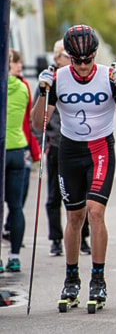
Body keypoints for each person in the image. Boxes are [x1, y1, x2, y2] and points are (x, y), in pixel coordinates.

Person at [32, 25, 116, 307]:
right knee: (74, 218)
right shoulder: (59, 78)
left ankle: (98, 279)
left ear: (95, 55)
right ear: (68, 56)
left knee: (95, 211)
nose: (81, 66)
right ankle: (71, 279)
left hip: (100, 149)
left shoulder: (108, 76)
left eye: (87, 60)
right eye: (76, 60)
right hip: (70, 151)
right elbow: (37, 124)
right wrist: (42, 93)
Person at [43, 40, 91, 257]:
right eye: (65, 55)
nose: (70, 59)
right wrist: (41, 142)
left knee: (86, 195)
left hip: (80, 145)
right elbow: (38, 115)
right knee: (55, 195)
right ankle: (55, 239)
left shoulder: (81, 79)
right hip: (56, 143)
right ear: (57, 58)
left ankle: (83, 238)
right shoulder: (51, 81)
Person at [2, 49, 40, 272]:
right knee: (15, 207)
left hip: (2, 149)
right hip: (18, 149)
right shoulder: (23, 87)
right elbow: (28, 120)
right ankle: (14, 257)